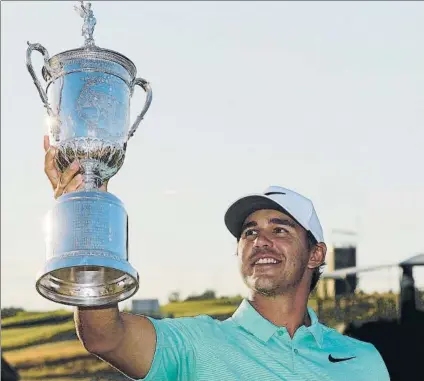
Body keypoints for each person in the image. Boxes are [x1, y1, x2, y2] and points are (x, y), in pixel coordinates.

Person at [44, 136, 390, 381]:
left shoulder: (363, 361)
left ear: (316, 254)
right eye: (249, 232)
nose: (261, 241)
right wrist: (85, 222)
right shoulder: (196, 344)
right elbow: (104, 336)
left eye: (280, 230)